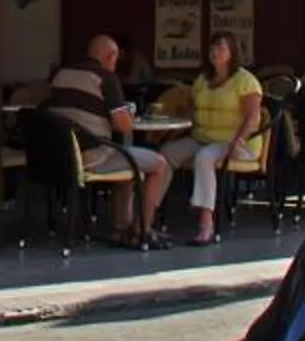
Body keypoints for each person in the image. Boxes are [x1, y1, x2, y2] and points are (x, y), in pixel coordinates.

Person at [43, 32, 171, 245]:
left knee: (127, 159)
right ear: (111, 56)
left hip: (62, 156)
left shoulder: (61, 74)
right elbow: (124, 125)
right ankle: (143, 229)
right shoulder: (104, 77)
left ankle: (122, 226)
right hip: (93, 156)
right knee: (159, 164)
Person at [185, 31, 263, 244]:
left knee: (204, 157)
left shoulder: (245, 81)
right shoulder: (202, 80)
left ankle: (206, 223)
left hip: (237, 143)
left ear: (232, 52)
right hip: (202, 137)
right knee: (167, 154)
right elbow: (191, 112)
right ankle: (148, 218)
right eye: (212, 48)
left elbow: (253, 117)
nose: (214, 52)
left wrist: (237, 141)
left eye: (220, 48)